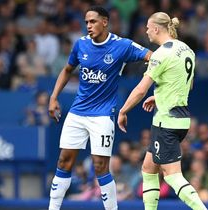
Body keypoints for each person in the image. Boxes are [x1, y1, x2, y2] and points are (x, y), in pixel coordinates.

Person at [47, 6, 151, 210]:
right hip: (77, 113)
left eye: (93, 21)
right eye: (86, 22)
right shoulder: (81, 45)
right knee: (63, 162)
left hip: (102, 116)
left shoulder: (121, 45)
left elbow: (152, 56)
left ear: (105, 22)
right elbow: (67, 69)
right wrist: (53, 97)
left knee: (100, 167)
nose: (88, 26)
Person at [117, 12, 207, 210]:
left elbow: (140, 89)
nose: (146, 31)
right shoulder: (187, 49)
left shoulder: (161, 54)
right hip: (181, 119)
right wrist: (159, 96)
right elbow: (186, 85)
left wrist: (123, 111)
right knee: (148, 168)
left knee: (172, 176)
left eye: (148, 27)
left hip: (167, 121)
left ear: (156, 28)